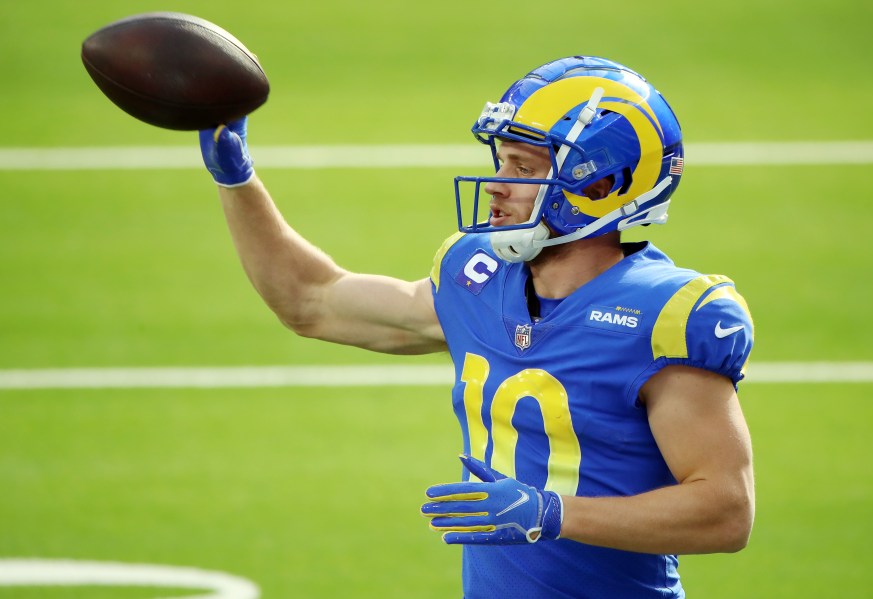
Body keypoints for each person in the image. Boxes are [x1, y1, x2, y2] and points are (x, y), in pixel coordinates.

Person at [199, 55, 755, 598]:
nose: (496, 184)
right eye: (502, 161)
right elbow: (310, 300)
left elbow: (726, 512)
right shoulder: (478, 278)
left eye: (524, 168)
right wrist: (236, 177)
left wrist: (550, 513)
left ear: (601, 184)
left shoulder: (666, 313)